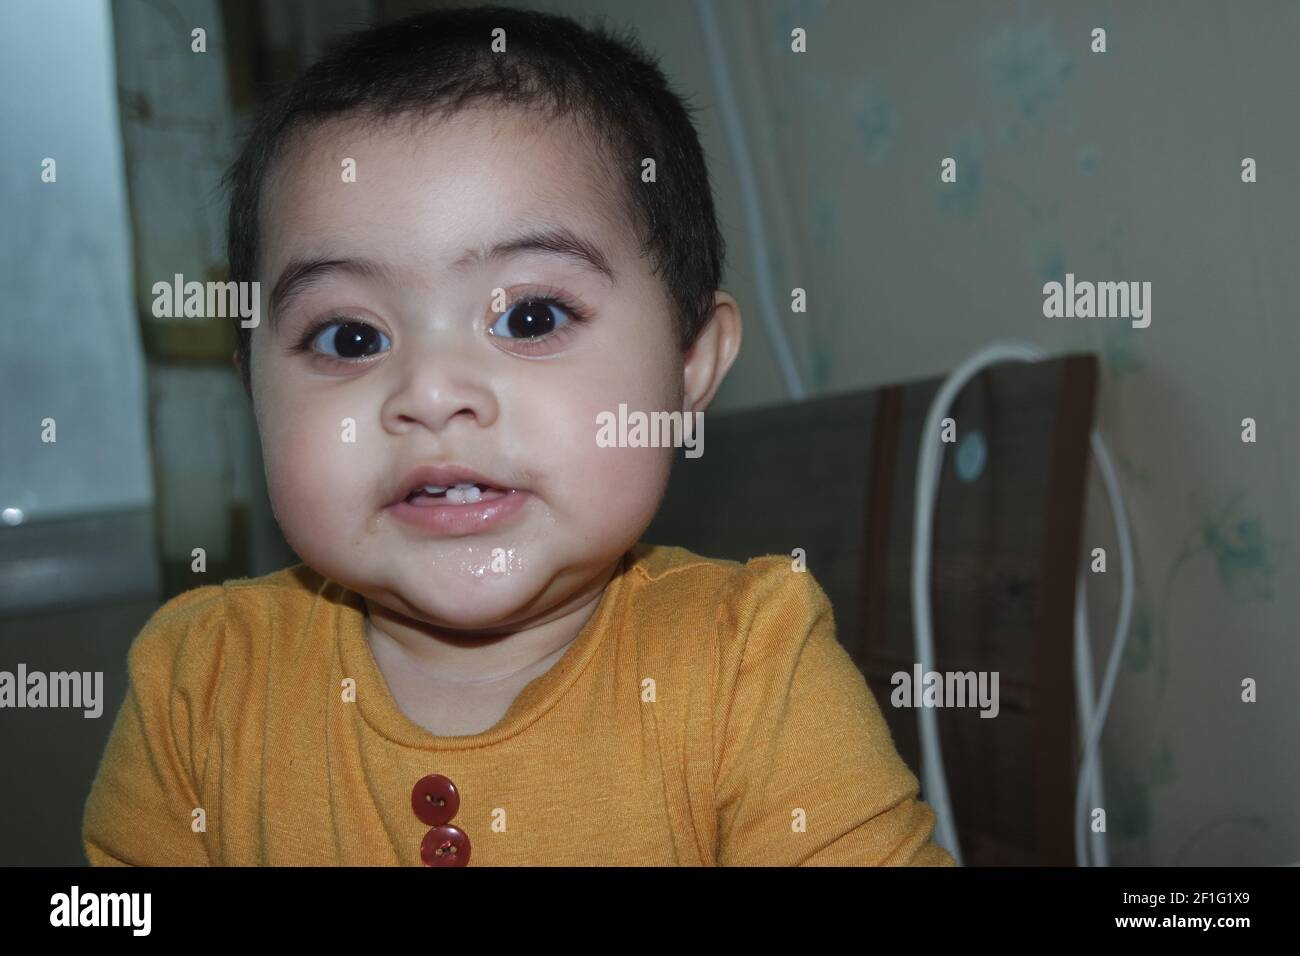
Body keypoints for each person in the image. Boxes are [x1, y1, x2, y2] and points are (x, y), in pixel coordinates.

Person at [83, 4, 955, 867]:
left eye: (531, 316)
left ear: (689, 365)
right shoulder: (200, 682)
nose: (430, 393)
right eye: (350, 338)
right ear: (254, 392)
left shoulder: (748, 669)